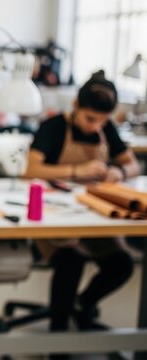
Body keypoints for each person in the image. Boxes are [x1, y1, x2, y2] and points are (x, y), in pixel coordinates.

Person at [24, 72, 140, 333]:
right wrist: (78, 171)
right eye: (91, 119)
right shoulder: (52, 127)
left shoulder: (105, 129)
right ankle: (58, 336)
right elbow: (31, 169)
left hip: (93, 216)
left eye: (103, 121)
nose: (96, 126)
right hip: (56, 217)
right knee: (70, 263)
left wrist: (119, 172)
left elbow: (131, 163)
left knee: (122, 264)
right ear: (76, 105)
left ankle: (82, 304)